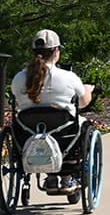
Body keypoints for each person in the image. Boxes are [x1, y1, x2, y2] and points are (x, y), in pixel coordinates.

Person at [9, 30, 95, 194]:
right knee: (82, 125)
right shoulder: (68, 77)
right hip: (64, 132)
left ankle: (52, 177)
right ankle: (67, 176)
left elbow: (18, 101)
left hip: (28, 131)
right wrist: (87, 90)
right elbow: (83, 103)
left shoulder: (19, 78)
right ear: (56, 51)